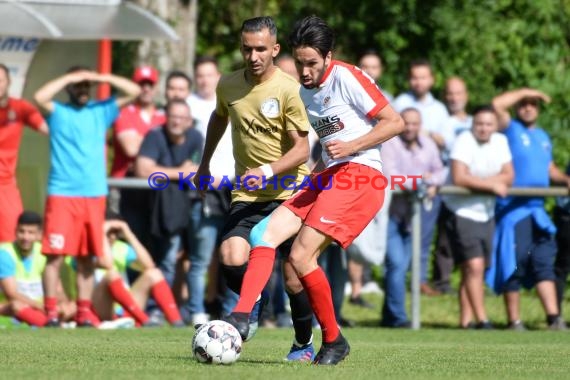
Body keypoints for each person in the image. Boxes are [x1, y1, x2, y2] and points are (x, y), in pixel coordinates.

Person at [221, 15, 404, 365]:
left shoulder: (347, 76)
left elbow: (394, 122)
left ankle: (333, 341)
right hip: (330, 174)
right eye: (300, 63)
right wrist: (314, 177)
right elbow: (327, 147)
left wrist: (352, 146)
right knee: (264, 233)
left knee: (301, 257)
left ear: (328, 57)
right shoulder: (305, 90)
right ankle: (242, 314)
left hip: (361, 174)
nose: (304, 72)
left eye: (312, 64)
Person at [194, 16, 316, 361]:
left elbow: (302, 150)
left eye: (261, 49)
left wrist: (266, 170)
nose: (253, 56)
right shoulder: (228, 85)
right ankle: (254, 299)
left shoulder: (289, 89)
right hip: (248, 195)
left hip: (289, 195)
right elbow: (219, 117)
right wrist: (203, 165)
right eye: (247, 49)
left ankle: (303, 343)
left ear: (275, 49)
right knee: (231, 256)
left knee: (294, 277)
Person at [34, 66, 140, 327]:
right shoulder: (58, 111)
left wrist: (99, 78)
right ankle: (50, 314)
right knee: (55, 255)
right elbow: (39, 97)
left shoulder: (100, 110)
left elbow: (134, 91)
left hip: (93, 194)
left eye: (85, 86)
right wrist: (69, 77)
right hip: (62, 193)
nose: (82, 89)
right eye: (77, 85)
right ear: (69, 87)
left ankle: (83, 313)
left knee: (87, 257)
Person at [489, 88, 569, 330]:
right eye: (523, 103)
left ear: (538, 109)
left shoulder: (543, 136)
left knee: (544, 262)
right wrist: (529, 91)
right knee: (514, 262)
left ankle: (554, 319)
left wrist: (564, 179)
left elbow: (549, 169)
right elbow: (496, 105)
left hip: (538, 210)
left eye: (533, 103)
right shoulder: (510, 129)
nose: (528, 107)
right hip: (514, 210)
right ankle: (514, 321)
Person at [443, 105, 513, 329]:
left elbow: (509, 175)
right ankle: (483, 319)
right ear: (472, 125)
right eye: (479, 124)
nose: (483, 129)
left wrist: (482, 182)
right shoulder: (464, 140)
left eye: (488, 124)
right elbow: (459, 177)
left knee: (472, 269)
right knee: (474, 265)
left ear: (495, 126)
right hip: (462, 211)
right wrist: (493, 184)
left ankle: (466, 321)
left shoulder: (501, 141)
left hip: (486, 212)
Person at [380, 108, 446, 328]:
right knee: (397, 265)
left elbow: (441, 171)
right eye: (406, 123)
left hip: (414, 219)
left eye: (414, 123)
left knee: (404, 266)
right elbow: (390, 178)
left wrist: (432, 181)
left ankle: (389, 315)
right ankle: (399, 318)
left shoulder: (428, 144)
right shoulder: (389, 143)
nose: (410, 128)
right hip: (391, 215)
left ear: (420, 125)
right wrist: (421, 181)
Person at [185, 56, 234, 325]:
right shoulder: (189, 107)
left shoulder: (232, 101)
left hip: (235, 186)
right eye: (199, 75)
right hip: (204, 189)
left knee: (233, 254)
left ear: (219, 76)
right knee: (201, 256)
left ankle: (232, 311)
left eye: (209, 74)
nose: (204, 80)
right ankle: (196, 311)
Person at [135, 99, 202, 289]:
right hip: (162, 209)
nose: (177, 122)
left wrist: (163, 173)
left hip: (194, 205)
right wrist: (180, 173)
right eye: (173, 117)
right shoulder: (155, 136)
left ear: (189, 121)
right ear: (166, 118)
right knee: (166, 261)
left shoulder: (196, 137)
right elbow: (142, 169)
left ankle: (193, 309)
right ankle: (160, 308)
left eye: (182, 118)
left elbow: (198, 170)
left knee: (198, 261)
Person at [92, 216, 184, 327]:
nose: (112, 236)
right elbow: (107, 263)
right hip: (100, 308)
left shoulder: (120, 248)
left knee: (154, 273)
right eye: (108, 233)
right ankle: (145, 321)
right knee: (111, 274)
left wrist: (128, 234)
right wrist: (101, 232)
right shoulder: (86, 249)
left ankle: (176, 322)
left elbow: (148, 265)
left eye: (115, 232)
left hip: (127, 308)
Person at [0, 64, 48, 244]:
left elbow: (48, 129)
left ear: (8, 82)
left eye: (0, 80)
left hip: (5, 185)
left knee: (12, 238)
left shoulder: (20, 108)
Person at [0, 211, 49, 326]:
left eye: (31, 233)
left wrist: (61, 305)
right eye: (21, 231)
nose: (25, 237)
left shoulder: (44, 252)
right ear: (15, 231)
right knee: (16, 305)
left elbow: (57, 289)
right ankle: (50, 325)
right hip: (9, 308)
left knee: (69, 306)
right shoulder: (5, 253)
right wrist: (38, 306)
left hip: (38, 307)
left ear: (39, 234)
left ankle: (46, 321)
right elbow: (11, 294)